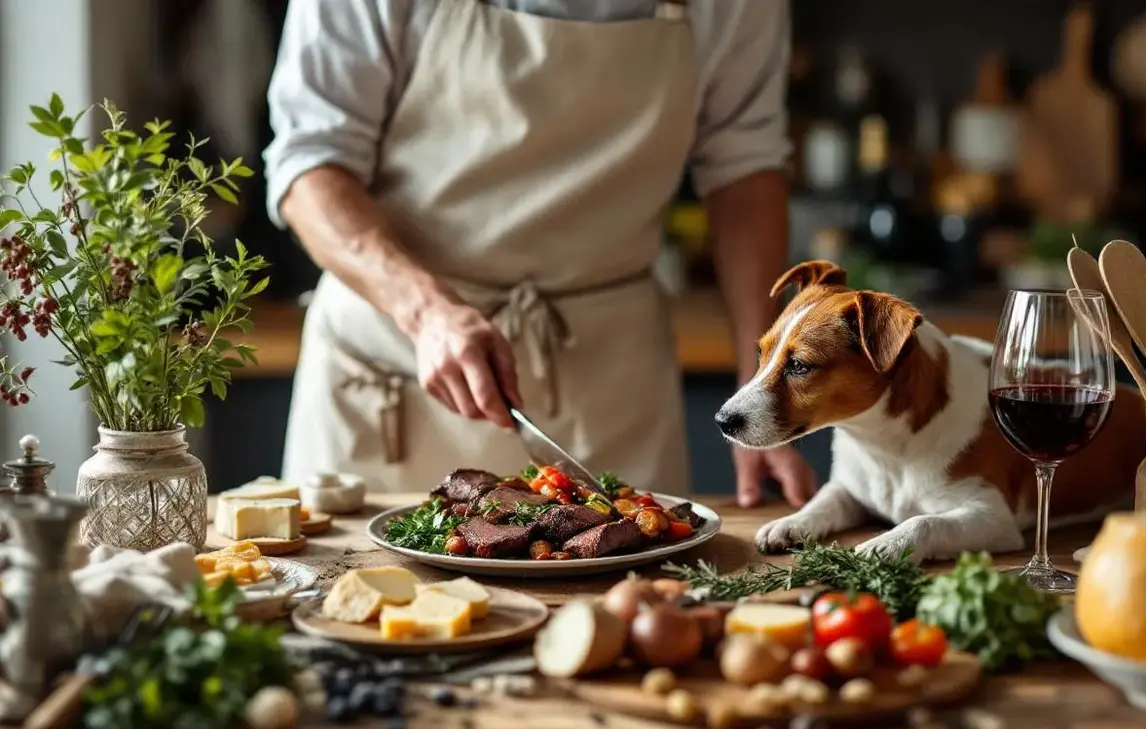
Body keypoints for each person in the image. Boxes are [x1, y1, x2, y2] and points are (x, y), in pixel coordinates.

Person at [264, 0, 817, 507]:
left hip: (609, 378)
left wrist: (762, 384)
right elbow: (310, 168)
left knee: (626, 603)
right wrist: (426, 311)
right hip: (400, 359)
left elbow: (745, 171)